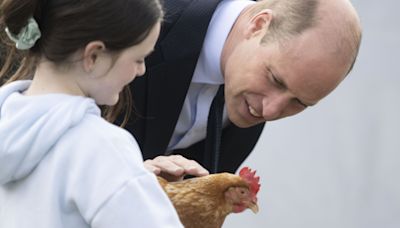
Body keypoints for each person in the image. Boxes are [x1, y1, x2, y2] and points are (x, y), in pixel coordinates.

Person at [127, 0, 362, 179]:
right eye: (276, 80)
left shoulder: (254, 103)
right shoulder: (138, 18)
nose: (270, 112)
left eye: (299, 103)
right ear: (258, 25)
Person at [0, 0, 184, 227]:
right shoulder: (102, 147)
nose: (141, 70)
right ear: (93, 56)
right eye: (138, 59)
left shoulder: (7, 125)